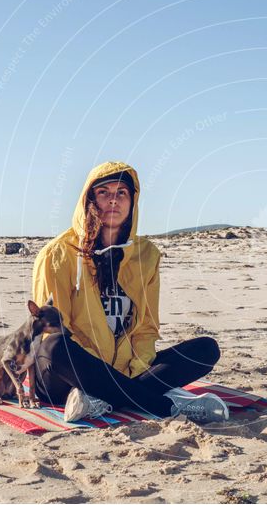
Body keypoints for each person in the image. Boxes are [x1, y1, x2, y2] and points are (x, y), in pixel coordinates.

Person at [30, 161, 228, 424]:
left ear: (132, 201)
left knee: (205, 349)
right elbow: (50, 328)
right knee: (54, 346)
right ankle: (164, 406)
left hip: (126, 369)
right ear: (89, 200)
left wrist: (133, 368)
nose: (113, 200)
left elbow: (146, 327)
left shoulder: (146, 255)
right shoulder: (57, 255)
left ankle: (99, 400)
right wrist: (98, 371)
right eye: (104, 192)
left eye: (121, 192)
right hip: (67, 374)